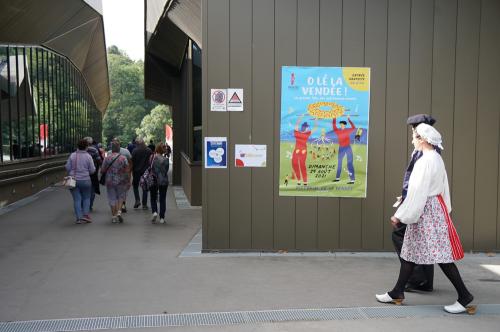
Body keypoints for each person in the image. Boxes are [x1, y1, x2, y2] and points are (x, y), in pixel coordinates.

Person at [376, 123, 474, 315]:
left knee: (441, 257)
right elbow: (441, 188)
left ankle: (464, 296)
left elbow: (418, 193)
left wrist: (400, 215)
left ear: (422, 139)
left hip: (425, 212)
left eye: (414, 136)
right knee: (410, 253)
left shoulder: (425, 161)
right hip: (432, 210)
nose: (412, 139)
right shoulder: (436, 158)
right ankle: (397, 292)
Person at [393, 114, 437, 293]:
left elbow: (417, 183)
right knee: (422, 242)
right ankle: (424, 282)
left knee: (400, 236)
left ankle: (417, 279)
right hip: (421, 203)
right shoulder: (431, 150)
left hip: (419, 204)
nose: (413, 134)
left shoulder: (424, 151)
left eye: (415, 129)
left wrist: (404, 207)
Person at [65, 139, 95, 224]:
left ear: (77, 146)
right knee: (86, 198)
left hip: (74, 180)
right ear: (86, 146)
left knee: (77, 199)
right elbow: (92, 170)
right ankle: (85, 215)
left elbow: (67, 167)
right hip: (85, 180)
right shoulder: (88, 156)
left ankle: (78, 218)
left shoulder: (72, 155)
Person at [101, 141, 130, 223]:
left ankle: (113, 216)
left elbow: (102, 170)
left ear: (111, 149)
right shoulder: (123, 158)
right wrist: (128, 180)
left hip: (110, 181)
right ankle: (119, 212)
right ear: (119, 149)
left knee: (112, 198)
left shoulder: (107, 158)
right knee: (121, 197)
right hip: (121, 180)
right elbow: (127, 170)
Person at [291, 114, 318, 186]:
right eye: (307, 127)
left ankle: (305, 181)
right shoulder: (297, 133)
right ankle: (299, 180)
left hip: (303, 151)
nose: (307, 129)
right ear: (304, 128)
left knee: (302, 165)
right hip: (297, 151)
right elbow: (297, 125)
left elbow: (315, 128)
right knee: (295, 164)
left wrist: (315, 120)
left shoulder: (306, 133)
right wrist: (300, 117)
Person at [149, 144, 170, 224]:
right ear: (163, 150)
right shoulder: (166, 160)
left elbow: (150, 167)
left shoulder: (152, 157)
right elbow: (166, 171)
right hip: (163, 180)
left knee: (153, 197)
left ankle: (154, 212)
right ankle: (162, 218)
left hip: (153, 179)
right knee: (162, 199)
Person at [332, 115, 356, 184]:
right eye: (341, 125)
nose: (341, 126)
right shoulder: (338, 131)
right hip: (341, 148)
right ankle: (337, 178)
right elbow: (334, 126)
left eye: (343, 125)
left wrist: (349, 119)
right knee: (339, 163)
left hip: (348, 147)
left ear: (345, 125)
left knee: (350, 163)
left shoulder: (348, 130)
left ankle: (352, 179)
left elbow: (353, 127)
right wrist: (334, 117)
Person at [132, 138, 153, 209]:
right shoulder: (149, 150)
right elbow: (151, 161)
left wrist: (132, 170)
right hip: (146, 172)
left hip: (136, 171)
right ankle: (144, 204)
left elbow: (132, 161)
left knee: (135, 186)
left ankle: (137, 200)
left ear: (137, 143)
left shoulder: (135, 151)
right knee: (145, 187)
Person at [84, 137, 102, 211]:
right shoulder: (94, 150)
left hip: (82, 173)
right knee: (92, 189)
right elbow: (99, 160)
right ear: (91, 143)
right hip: (93, 172)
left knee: (83, 190)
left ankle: (83, 204)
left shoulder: (77, 151)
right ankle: (89, 205)